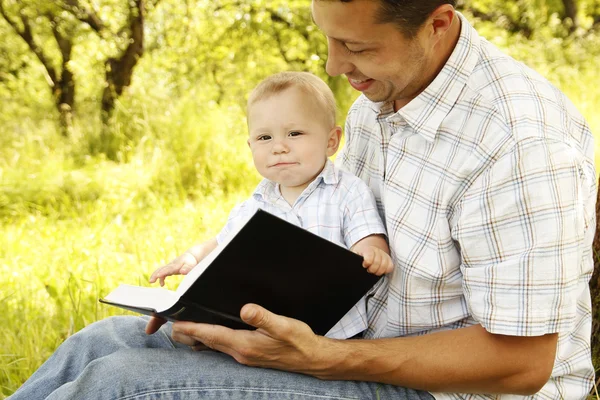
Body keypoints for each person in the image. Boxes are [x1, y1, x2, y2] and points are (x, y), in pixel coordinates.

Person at [8, 1, 596, 399]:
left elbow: (524, 363)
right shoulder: (380, 97)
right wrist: (222, 302)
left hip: (436, 392)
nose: (335, 67)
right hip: (346, 341)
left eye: (356, 47)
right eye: (329, 40)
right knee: (100, 343)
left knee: (119, 382)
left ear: (438, 24)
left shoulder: (519, 144)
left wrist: (320, 359)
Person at [149, 71, 394, 297]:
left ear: (331, 142)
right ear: (251, 146)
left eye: (294, 133)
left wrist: (372, 252)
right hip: (267, 313)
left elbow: (367, 235)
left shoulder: (347, 191)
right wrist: (193, 257)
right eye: (264, 137)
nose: (279, 147)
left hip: (328, 322)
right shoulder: (256, 203)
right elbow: (222, 243)